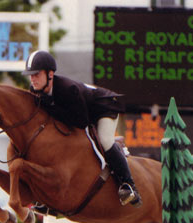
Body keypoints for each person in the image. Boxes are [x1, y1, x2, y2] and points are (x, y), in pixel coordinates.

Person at [22, 50, 141, 207]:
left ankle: (128, 186)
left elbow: (81, 122)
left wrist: (51, 108)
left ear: (50, 74)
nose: (33, 79)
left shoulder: (67, 89)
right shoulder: (36, 91)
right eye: (31, 75)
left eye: (36, 74)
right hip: (85, 110)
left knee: (105, 141)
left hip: (105, 106)